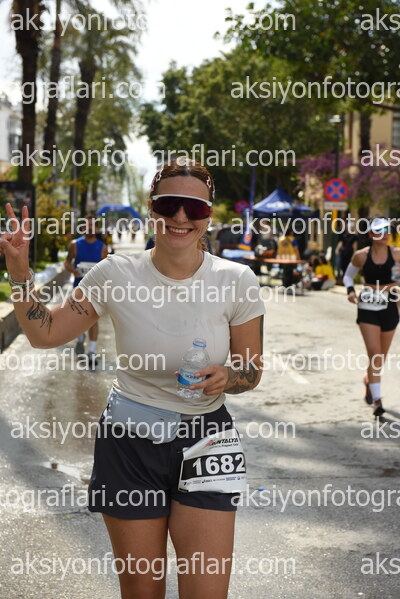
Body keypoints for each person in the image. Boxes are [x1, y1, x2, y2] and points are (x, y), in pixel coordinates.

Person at [0, 159, 265, 599]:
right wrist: (19, 274)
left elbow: (251, 369)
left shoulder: (237, 279)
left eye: (195, 208)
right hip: (129, 441)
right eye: (169, 203)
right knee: (142, 590)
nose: (181, 216)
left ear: (208, 216)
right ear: (151, 207)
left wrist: (229, 376)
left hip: (207, 441)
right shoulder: (114, 273)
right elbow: (45, 334)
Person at [344, 217, 400, 420]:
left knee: (381, 356)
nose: (384, 234)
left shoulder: (397, 254)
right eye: (379, 230)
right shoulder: (360, 256)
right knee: (374, 353)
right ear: (370, 234)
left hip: (390, 305)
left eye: (387, 230)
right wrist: (350, 290)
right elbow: (348, 276)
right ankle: (377, 401)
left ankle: (369, 380)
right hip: (367, 305)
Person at [64, 215, 108, 367]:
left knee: (93, 320)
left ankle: (91, 351)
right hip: (78, 289)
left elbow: (106, 270)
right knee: (78, 318)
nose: (89, 228)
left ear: (97, 228)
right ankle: (80, 337)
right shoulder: (75, 245)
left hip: (95, 291)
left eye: (92, 225)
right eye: (87, 225)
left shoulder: (102, 248)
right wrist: (73, 271)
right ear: (82, 227)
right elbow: (67, 262)